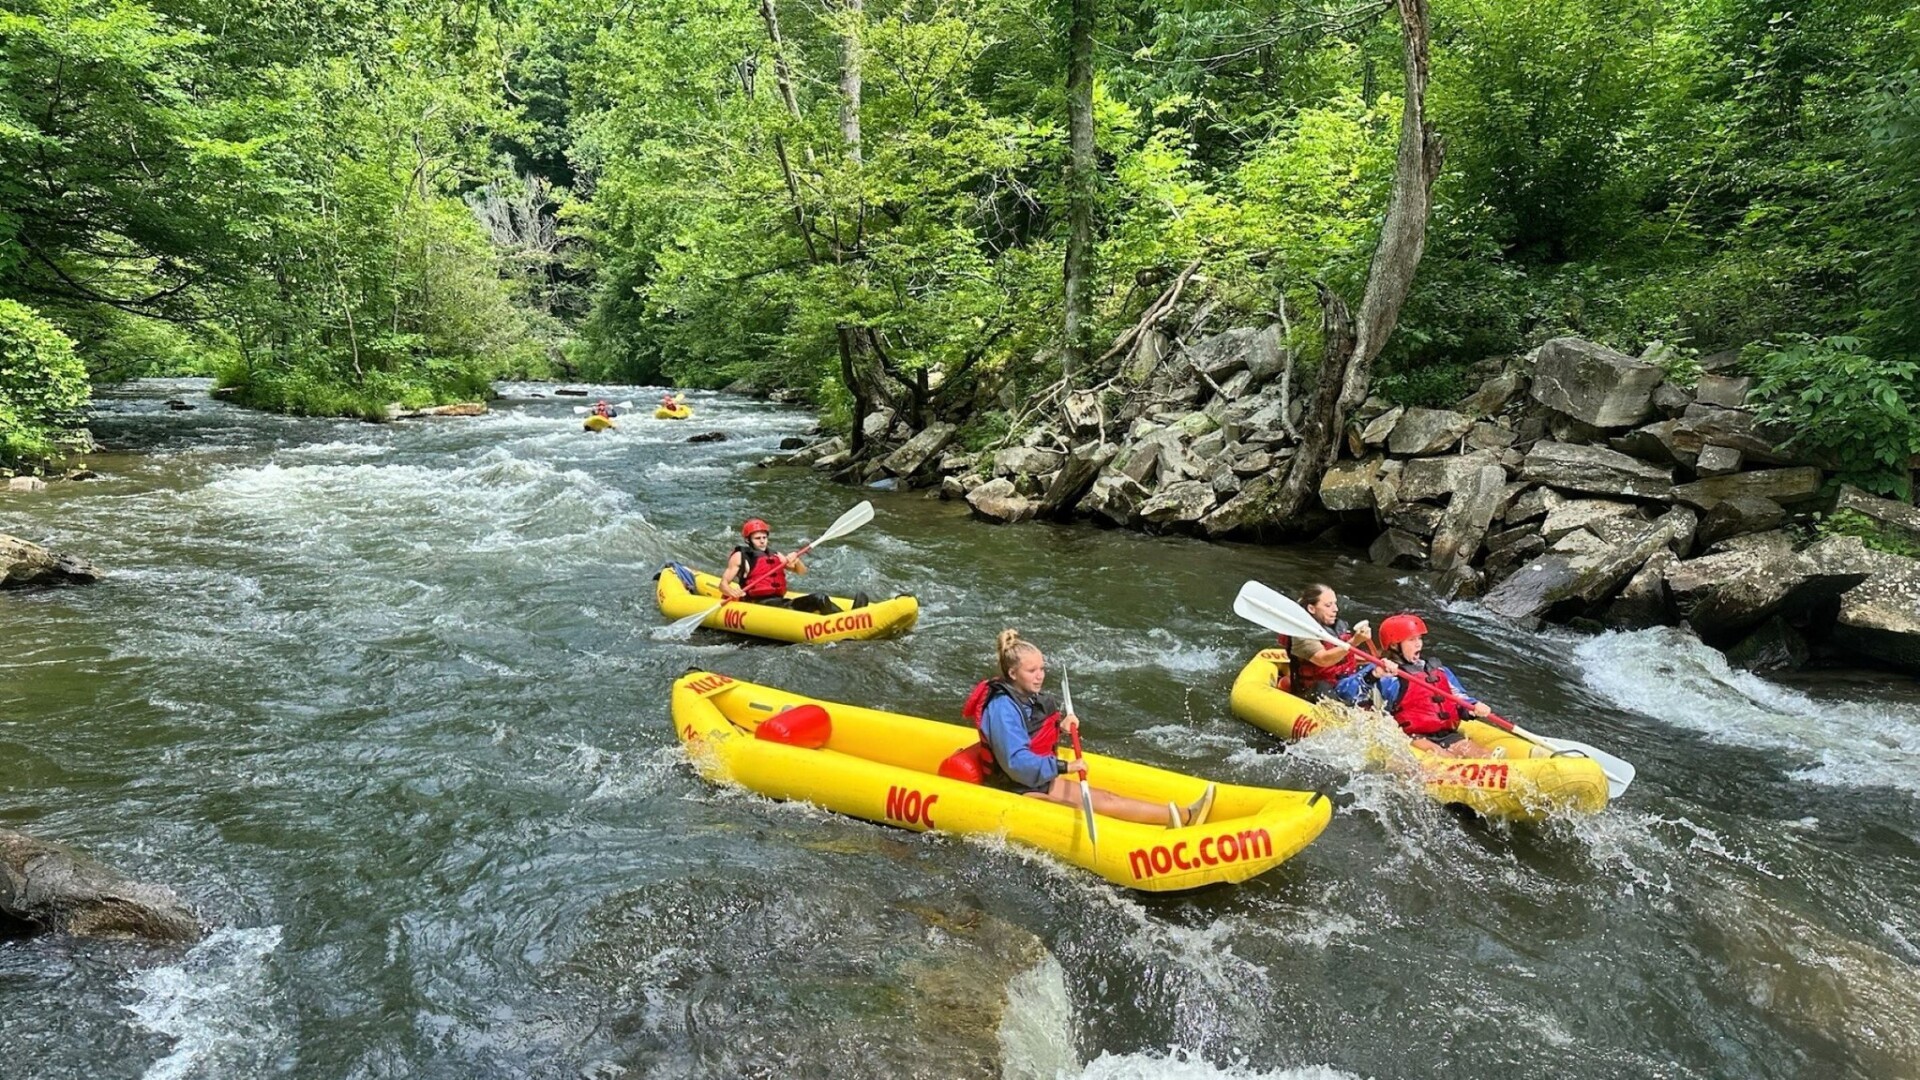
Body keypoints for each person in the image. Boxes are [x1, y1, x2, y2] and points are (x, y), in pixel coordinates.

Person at [961, 630, 1215, 828]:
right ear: (1013, 673)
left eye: (1042, 668)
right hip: (1015, 788)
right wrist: (1065, 767)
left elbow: (1032, 731)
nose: (1040, 676)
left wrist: (1060, 727)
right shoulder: (1002, 708)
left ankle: (1185, 816)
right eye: (1032, 670)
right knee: (1080, 813)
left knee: (1108, 799)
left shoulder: (1024, 694)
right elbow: (1016, 762)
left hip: (1035, 781)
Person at [1337, 613, 1494, 759]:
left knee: (1484, 755)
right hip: (1410, 736)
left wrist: (1473, 707)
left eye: (1419, 638)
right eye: (1411, 640)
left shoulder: (1438, 670)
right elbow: (1345, 693)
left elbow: (1458, 697)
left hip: (1445, 734)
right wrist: (1373, 676)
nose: (1418, 644)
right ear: (1394, 645)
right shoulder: (1382, 671)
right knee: (1442, 757)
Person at [720, 518, 866, 614]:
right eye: (757, 538)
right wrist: (732, 592)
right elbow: (723, 585)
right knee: (819, 599)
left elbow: (801, 572)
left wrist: (796, 560)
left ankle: (848, 616)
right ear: (748, 540)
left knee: (820, 599)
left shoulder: (775, 555)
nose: (762, 541)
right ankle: (847, 619)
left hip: (779, 601)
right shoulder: (740, 556)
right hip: (759, 604)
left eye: (764, 537)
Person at [1281, 584, 1374, 701]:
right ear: (1311, 609)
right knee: (1322, 687)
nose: (1335, 609)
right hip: (1313, 690)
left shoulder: (1337, 626)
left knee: (1374, 670)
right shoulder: (1302, 633)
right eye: (1328, 605)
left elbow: (1346, 656)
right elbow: (1323, 660)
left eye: (1335, 603)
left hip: (1343, 683)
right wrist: (1354, 642)